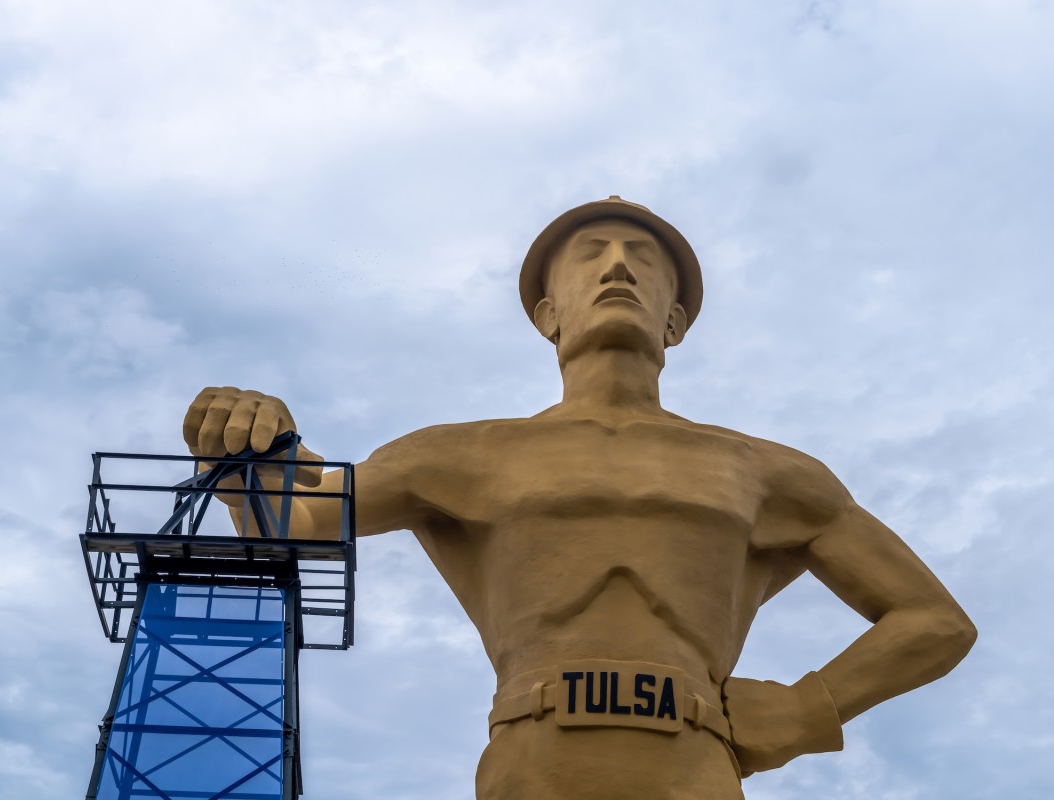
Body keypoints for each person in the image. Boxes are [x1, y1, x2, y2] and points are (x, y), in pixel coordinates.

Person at [183, 197, 976, 800]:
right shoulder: (459, 455)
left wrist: (807, 708)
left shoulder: (762, 471)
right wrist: (253, 447)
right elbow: (296, 523)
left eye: (644, 261)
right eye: (591, 256)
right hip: (533, 762)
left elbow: (932, 620)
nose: (618, 268)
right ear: (547, 314)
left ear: (674, 320)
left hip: (694, 765)